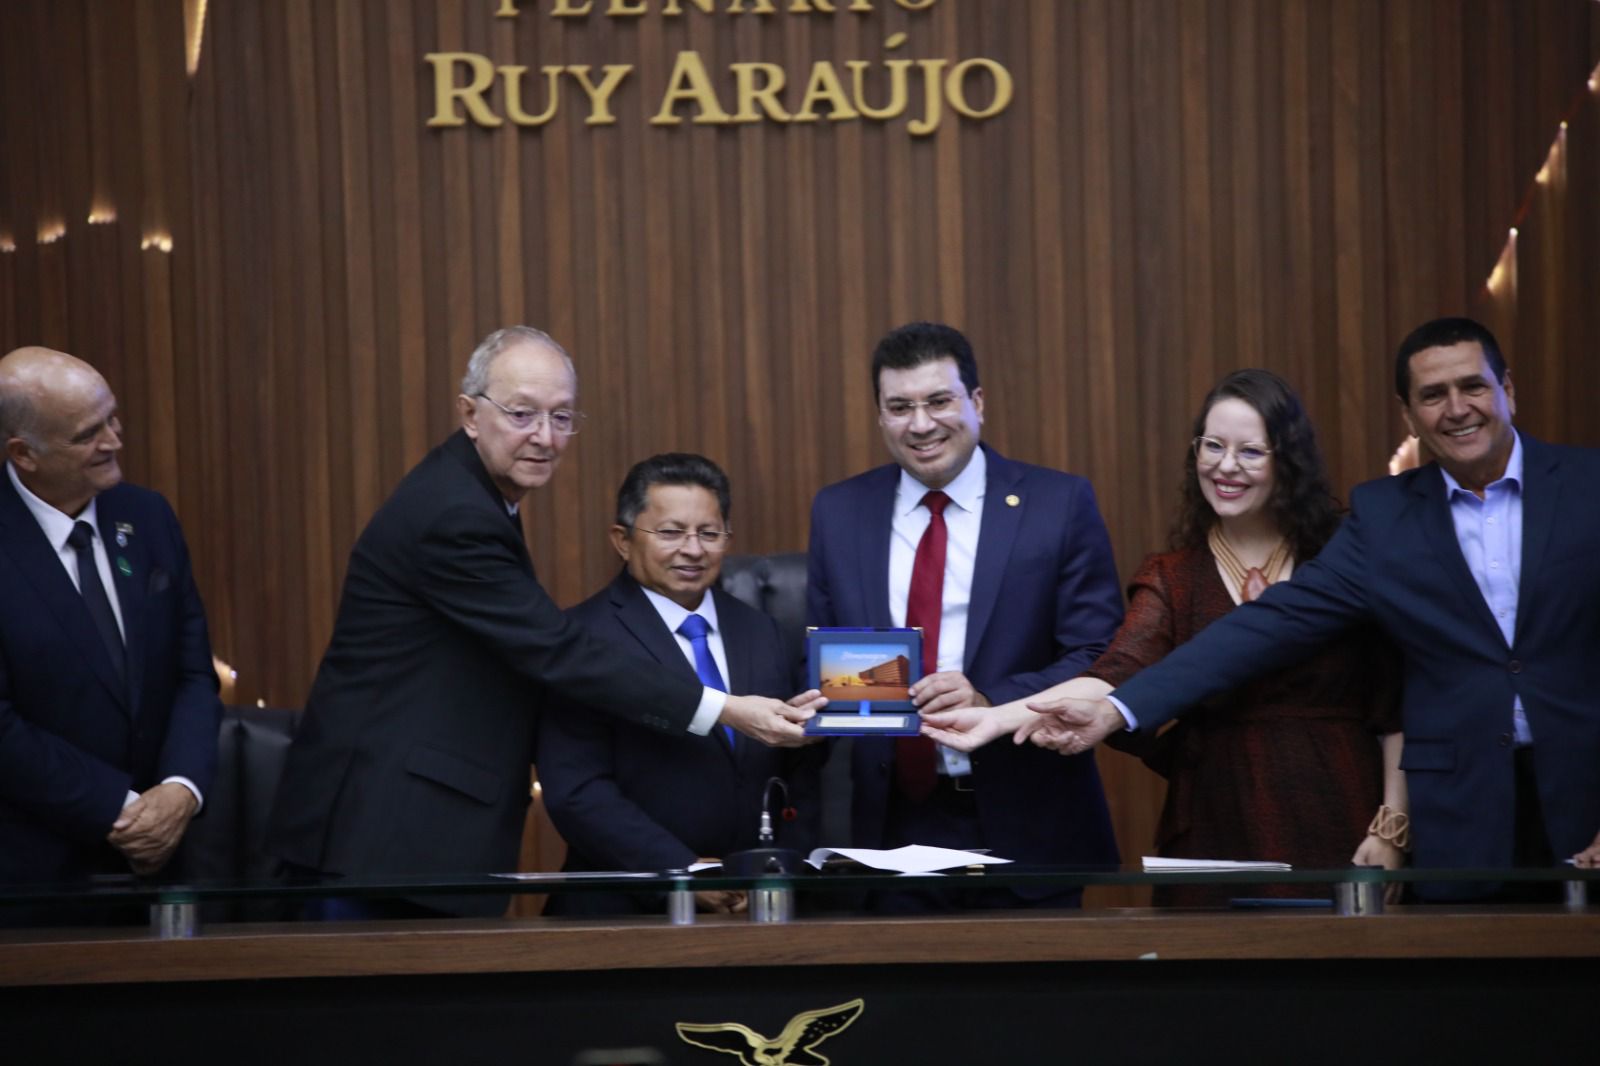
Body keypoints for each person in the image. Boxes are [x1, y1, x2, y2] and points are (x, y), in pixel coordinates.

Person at [981, 318, 1600, 896]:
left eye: (1473, 387)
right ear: (1409, 414)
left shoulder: (1588, 485)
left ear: (1507, 389)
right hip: (1459, 819)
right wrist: (1114, 709)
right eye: (1433, 395)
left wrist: (1391, 824)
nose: (1456, 408)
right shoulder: (1385, 516)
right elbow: (1261, 628)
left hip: (1580, 796)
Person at [266, 327, 813, 917]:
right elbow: (558, 651)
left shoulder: (477, 496)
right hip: (380, 834)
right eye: (522, 414)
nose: (545, 437)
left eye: (561, 417)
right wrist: (725, 708)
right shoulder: (454, 512)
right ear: (470, 414)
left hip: (403, 833)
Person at [924, 369, 1407, 906]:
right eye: (1213, 446)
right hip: (1215, 821)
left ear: (1287, 461)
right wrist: (996, 717)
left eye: (1250, 451)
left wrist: (1391, 826)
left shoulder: (1342, 558)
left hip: (1341, 811)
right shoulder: (1174, 576)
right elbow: (1114, 675)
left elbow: (1395, 706)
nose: (1226, 466)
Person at [805, 321, 1123, 909]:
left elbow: (1100, 655)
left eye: (938, 401)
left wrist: (988, 700)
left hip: (1028, 826)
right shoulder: (839, 511)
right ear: (880, 416)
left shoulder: (1057, 504)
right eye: (900, 407)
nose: (921, 424)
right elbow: (834, 664)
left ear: (977, 402)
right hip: (890, 832)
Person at [539, 453, 825, 916]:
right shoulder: (579, 639)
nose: (693, 550)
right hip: (624, 912)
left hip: (758, 906)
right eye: (671, 532)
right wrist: (683, 872)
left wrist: (777, 868)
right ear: (622, 540)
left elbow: (800, 772)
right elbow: (577, 791)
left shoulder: (762, 630)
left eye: (709, 533)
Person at [0, 347, 221, 906]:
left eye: (112, 418)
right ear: (24, 454)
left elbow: (194, 674)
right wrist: (120, 810)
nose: (114, 441)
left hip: (164, 863)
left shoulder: (147, 517)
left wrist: (179, 791)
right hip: (36, 877)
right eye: (88, 434)